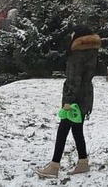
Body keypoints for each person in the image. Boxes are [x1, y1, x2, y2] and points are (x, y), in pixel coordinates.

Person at [37, 25, 101, 178]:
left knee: (63, 130)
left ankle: (54, 166)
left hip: (74, 100)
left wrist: (68, 101)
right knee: (77, 129)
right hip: (86, 96)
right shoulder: (92, 52)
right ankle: (83, 162)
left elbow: (73, 80)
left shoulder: (77, 55)